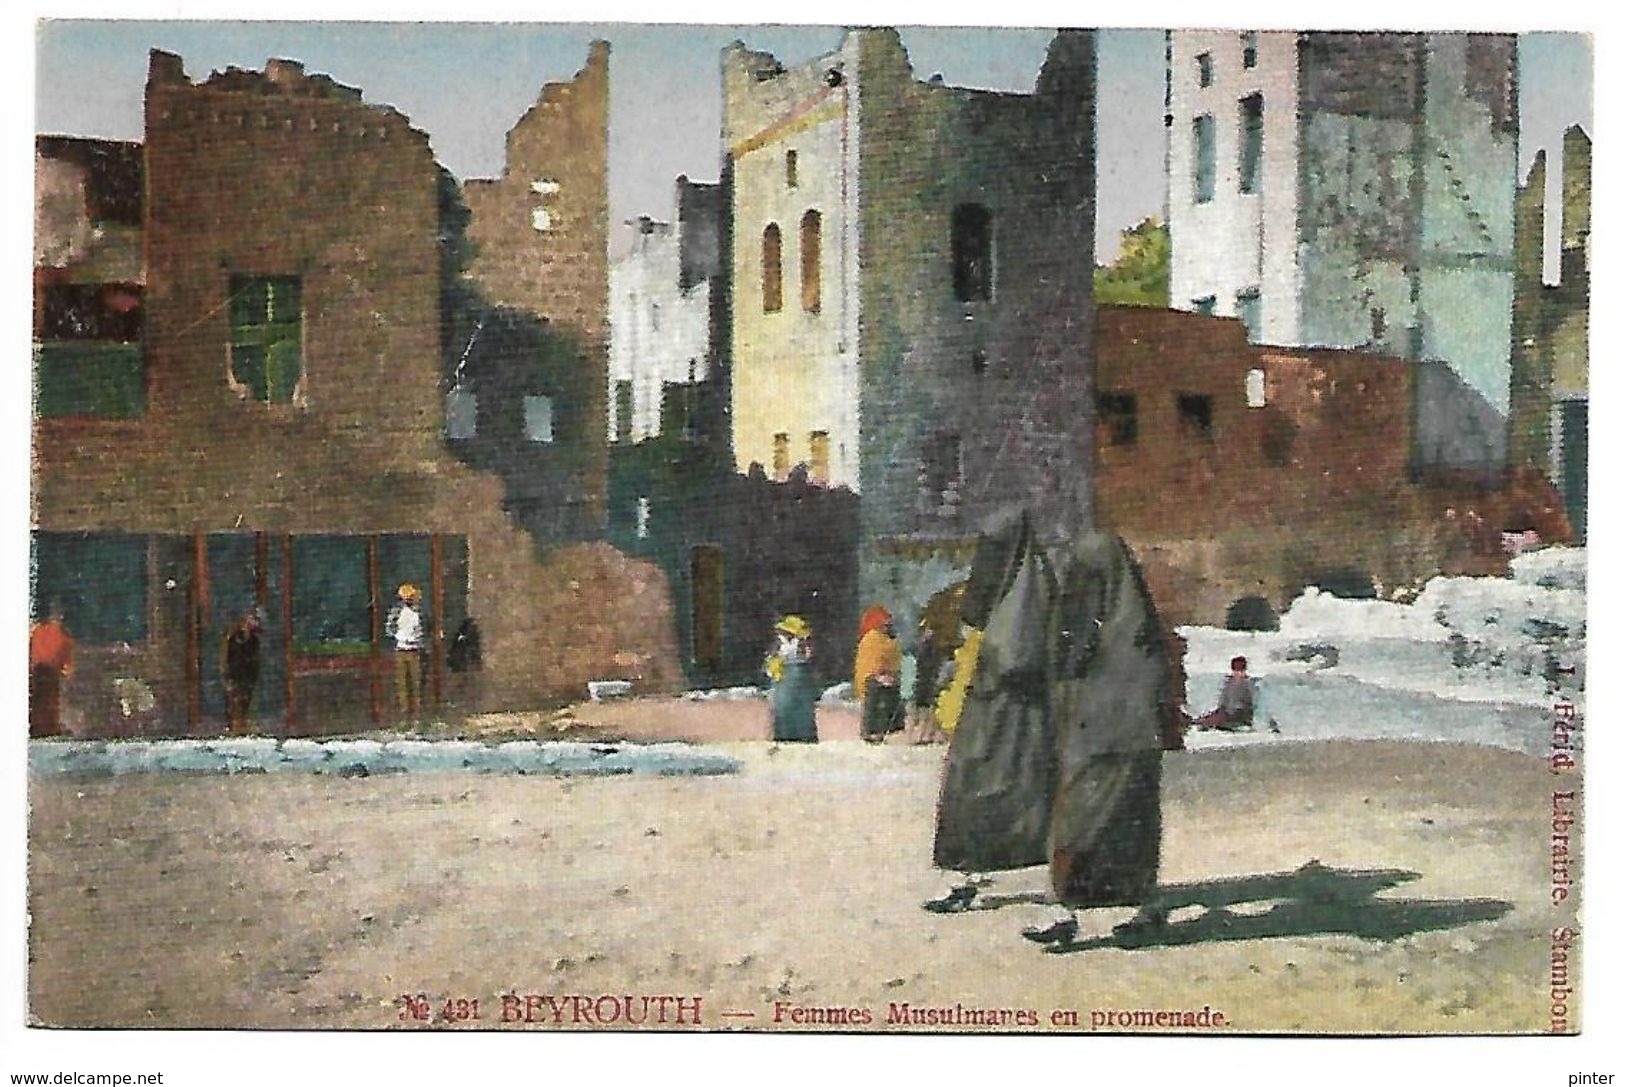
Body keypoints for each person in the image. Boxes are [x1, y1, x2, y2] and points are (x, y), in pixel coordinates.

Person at [854, 605, 904, 744]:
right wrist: (879, 676)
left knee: (891, 700)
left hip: (888, 677)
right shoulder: (871, 639)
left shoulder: (890, 640)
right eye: (885, 624)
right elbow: (870, 663)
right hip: (872, 679)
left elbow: (894, 661)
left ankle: (888, 729)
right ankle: (872, 731)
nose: (888, 626)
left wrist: (892, 675)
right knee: (876, 700)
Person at [765, 615, 817, 742]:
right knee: (784, 707)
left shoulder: (801, 642)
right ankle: (785, 734)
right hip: (784, 676)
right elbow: (772, 658)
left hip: (797, 675)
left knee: (799, 707)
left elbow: (808, 656)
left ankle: (802, 734)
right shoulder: (780, 642)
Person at [29, 604, 75, 738]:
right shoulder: (64, 636)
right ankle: (47, 728)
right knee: (49, 701)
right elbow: (66, 664)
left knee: (40, 701)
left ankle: (41, 727)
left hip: (38, 672)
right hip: (49, 673)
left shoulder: (37, 631)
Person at [386, 584, 426, 721]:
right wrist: (399, 637)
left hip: (414, 650)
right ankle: (404, 712)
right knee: (402, 683)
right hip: (401, 650)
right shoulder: (397, 611)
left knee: (415, 682)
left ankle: (416, 713)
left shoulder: (418, 612)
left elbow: (423, 628)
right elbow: (389, 629)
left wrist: (417, 638)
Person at [221, 608, 263, 735]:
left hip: (248, 675)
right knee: (235, 700)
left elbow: (254, 659)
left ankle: (243, 724)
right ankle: (234, 726)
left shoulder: (254, 642)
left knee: (245, 700)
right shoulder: (232, 639)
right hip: (235, 674)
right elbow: (226, 657)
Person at [1190, 656, 1256, 732]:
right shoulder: (1228, 682)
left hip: (1239, 715)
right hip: (1227, 712)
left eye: (1240, 670)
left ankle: (1199, 722)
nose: (1238, 673)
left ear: (1244, 670)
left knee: (1213, 719)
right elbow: (1223, 701)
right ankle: (1198, 721)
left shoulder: (1248, 684)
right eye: (1236, 670)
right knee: (1209, 717)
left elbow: (1248, 705)